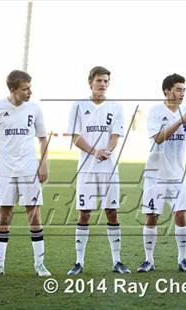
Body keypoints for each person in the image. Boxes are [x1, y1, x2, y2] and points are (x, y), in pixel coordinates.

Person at [0, 70, 51, 277]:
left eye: (30, 87)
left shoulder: (34, 108)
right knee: (4, 215)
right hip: (5, 172)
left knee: (34, 215)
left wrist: (43, 163)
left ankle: (40, 265)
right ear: (13, 90)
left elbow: (42, 138)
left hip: (29, 171)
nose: (30, 92)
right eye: (26, 88)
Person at [66, 66, 130, 275]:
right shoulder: (78, 106)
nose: (103, 85)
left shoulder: (116, 107)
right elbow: (75, 137)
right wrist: (95, 152)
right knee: (84, 213)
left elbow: (115, 136)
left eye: (106, 81)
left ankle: (117, 261)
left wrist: (107, 151)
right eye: (99, 81)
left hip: (109, 169)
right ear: (90, 82)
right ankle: (79, 262)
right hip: (87, 169)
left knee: (112, 212)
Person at [137, 73, 186, 273]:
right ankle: (149, 260)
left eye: (183, 90)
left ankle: (183, 259)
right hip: (155, 174)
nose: (182, 93)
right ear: (167, 91)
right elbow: (159, 138)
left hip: (177, 174)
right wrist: (180, 120)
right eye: (178, 89)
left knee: (180, 215)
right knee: (152, 216)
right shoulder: (155, 111)